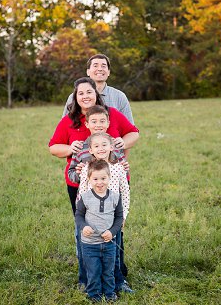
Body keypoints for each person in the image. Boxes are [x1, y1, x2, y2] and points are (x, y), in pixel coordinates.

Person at [49, 77, 138, 292]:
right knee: (85, 231)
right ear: (75, 97)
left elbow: (132, 135)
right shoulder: (70, 122)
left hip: (113, 185)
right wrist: (72, 151)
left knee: (113, 231)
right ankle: (87, 279)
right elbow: (54, 147)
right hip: (81, 188)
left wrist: (122, 152)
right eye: (81, 93)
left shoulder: (110, 114)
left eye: (89, 92)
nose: (85, 96)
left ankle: (117, 278)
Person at [76, 132, 132, 295]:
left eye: (104, 145)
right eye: (96, 146)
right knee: (90, 251)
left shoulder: (118, 168)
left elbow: (125, 192)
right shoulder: (87, 168)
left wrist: (124, 216)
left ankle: (117, 283)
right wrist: (83, 220)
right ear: (91, 150)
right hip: (92, 219)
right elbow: (82, 193)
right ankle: (89, 282)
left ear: (111, 147)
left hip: (113, 218)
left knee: (114, 253)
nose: (101, 148)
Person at [75, 159, 124, 303]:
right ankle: (94, 295)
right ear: (89, 179)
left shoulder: (115, 197)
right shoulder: (85, 197)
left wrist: (113, 231)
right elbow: (78, 215)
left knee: (108, 271)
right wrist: (84, 227)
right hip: (90, 245)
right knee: (93, 271)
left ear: (109, 178)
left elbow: (119, 217)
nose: (100, 182)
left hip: (108, 243)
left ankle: (110, 293)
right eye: (95, 179)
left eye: (103, 178)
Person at [64, 54, 134, 125]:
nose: (100, 69)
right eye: (95, 66)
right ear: (88, 71)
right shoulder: (74, 97)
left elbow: (130, 128)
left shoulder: (119, 96)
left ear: (109, 72)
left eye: (103, 66)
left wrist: (117, 137)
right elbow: (65, 126)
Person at [67, 105, 128, 184]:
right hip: (88, 193)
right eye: (94, 121)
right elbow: (71, 174)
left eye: (102, 121)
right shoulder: (80, 147)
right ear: (87, 124)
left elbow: (124, 172)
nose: (98, 125)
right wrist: (79, 173)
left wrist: (124, 169)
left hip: (113, 193)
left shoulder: (115, 145)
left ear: (108, 123)